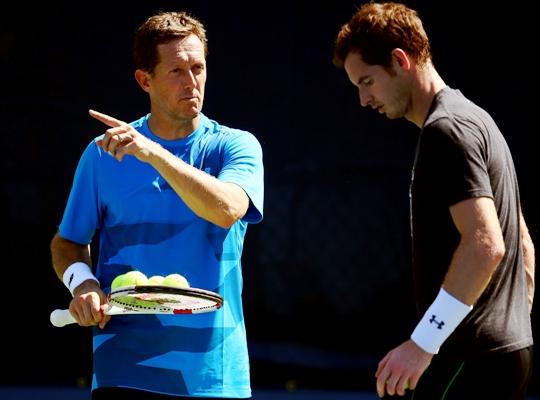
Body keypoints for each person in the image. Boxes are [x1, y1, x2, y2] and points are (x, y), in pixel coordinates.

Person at [50, 10, 264, 400]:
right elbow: (67, 242)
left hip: (214, 379)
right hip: (122, 373)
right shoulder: (101, 156)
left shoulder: (236, 145)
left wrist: (153, 153)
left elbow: (227, 209)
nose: (192, 82)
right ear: (144, 80)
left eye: (197, 68)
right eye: (176, 71)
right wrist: (83, 284)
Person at [333, 2, 534, 399]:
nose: (362, 99)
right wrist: (512, 324)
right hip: (505, 353)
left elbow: (486, 244)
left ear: (399, 60)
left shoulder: (447, 131)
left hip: (469, 361)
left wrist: (423, 342)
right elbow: (522, 243)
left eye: (367, 82)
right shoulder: (477, 119)